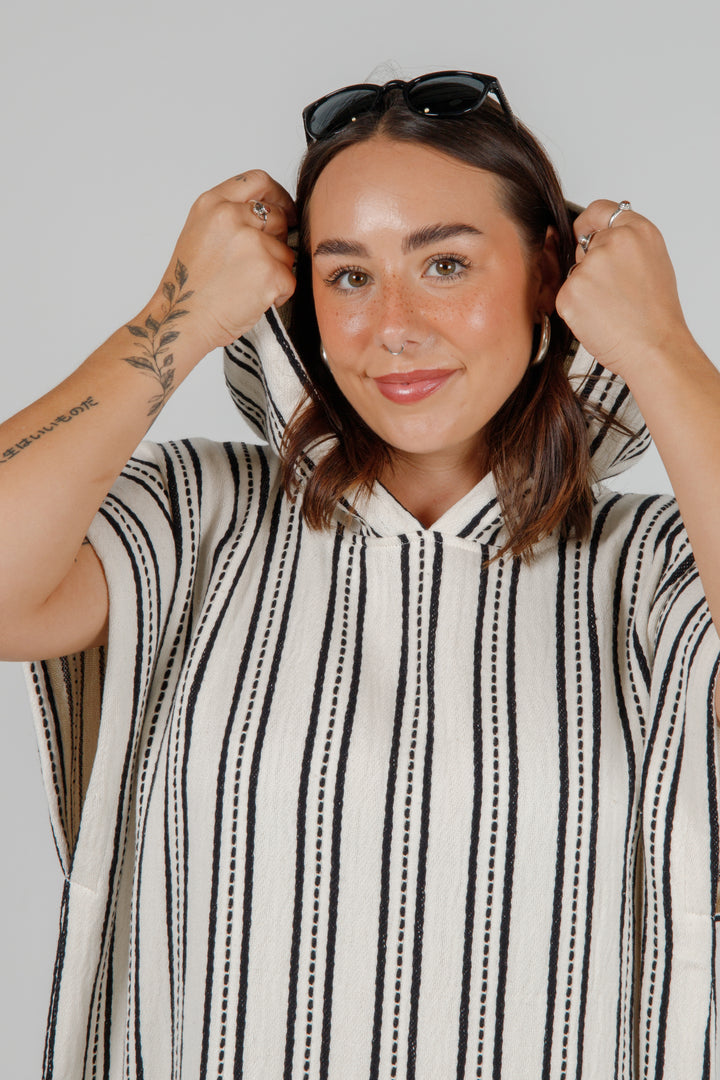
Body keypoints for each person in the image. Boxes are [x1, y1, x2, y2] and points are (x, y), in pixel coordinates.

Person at [1, 70, 719, 1078]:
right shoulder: (197, 514)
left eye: (446, 264)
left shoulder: (658, 567)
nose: (393, 324)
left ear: (548, 276)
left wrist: (662, 347)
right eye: (347, 275)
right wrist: (177, 314)